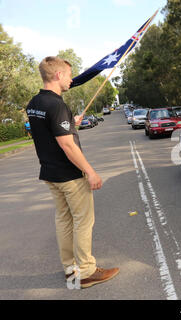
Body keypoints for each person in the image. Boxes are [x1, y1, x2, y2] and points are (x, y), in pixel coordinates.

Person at [26, 56, 119, 289]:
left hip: (50, 174)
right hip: (69, 175)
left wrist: (70, 122)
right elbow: (67, 145)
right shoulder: (57, 105)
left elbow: (50, 132)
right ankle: (86, 272)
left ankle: (71, 270)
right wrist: (91, 172)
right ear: (58, 75)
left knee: (64, 222)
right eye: (68, 75)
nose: (71, 79)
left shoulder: (34, 103)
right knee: (83, 222)